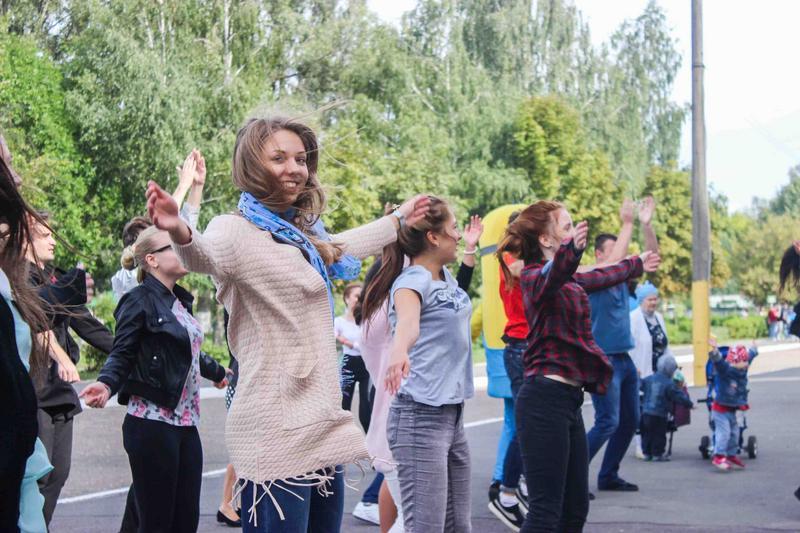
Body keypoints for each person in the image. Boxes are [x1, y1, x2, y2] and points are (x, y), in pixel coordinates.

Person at [145, 114, 430, 532]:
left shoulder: (303, 236)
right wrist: (180, 229)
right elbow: (206, 254)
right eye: (278, 157)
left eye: (301, 158)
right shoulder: (235, 230)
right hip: (274, 429)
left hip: (321, 422)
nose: (294, 168)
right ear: (251, 165)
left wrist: (397, 220)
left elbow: (342, 246)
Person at [495, 200, 660, 532]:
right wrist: (572, 251)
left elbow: (602, 274)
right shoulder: (532, 277)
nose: (572, 232)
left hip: (568, 402)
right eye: (566, 227)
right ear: (545, 239)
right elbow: (553, 273)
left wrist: (635, 263)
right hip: (543, 399)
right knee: (545, 513)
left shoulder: (569, 280)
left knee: (575, 511)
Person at [80, 226, 230, 533]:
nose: (182, 249)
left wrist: (218, 373)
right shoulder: (139, 300)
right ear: (152, 260)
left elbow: (186, 350)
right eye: (172, 246)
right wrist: (106, 384)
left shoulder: (178, 302)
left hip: (186, 425)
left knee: (185, 520)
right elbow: (123, 352)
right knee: (157, 523)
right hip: (151, 424)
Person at [357, 214, 482, 533]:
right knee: (421, 523)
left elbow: (455, 296)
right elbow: (406, 327)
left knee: (440, 520)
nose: (456, 234)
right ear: (431, 239)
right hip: (410, 413)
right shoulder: (403, 293)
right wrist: (400, 349)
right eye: (452, 229)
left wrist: (468, 251)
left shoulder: (437, 282)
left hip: (443, 415)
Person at [25, 213, 114, 526]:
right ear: (24, 238)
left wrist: (126, 353)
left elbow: (87, 324)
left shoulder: (54, 277)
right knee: (38, 476)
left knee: (58, 473)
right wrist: (62, 359)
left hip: (59, 392)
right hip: (33, 389)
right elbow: (37, 322)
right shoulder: (19, 279)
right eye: (45, 235)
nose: (53, 241)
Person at [586, 197, 658, 495]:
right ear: (598, 253)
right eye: (614, 250)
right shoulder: (590, 275)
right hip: (602, 360)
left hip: (624, 360)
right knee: (607, 422)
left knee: (630, 422)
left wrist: (645, 224)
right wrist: (626, 223)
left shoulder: (621, 275)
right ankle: (572, 477)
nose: (621, 254)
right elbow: (617, 261)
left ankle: (608, 475)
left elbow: (652, 256)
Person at [111, 149, 206, 300]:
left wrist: (197, 186)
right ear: (149, 257)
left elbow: (184, 228)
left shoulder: (173, 297)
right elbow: (168, 220)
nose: (179, 249)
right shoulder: (130, 283)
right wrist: (183, 186)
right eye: (170, 246)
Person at [488, 211, 528, 530]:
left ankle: (515, 485)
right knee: (520, 423)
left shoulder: (518, 256)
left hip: (525, 345)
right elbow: (519, 271)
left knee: (522, 422)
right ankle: (506, 492)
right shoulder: (511, 257)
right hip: (520, 345)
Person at [629, 281, 671, 459]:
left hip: (659, 373)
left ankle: (655, 444)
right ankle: (641, 445)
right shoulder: (634, 318)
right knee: (643, 411)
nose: (653, 303)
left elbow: (665, 344)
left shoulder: (659, 317)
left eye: (655, 299)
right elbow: (629, 346)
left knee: (658, 410)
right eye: (649, 299)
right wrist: (634, 368)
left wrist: (672, 366)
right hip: (642, 371)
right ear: (641, 300)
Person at [707, 341, 758, 471]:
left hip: (732, 409)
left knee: (735, 433)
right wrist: (715, 351)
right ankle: (718, 456)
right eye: (743, 362)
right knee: (724, 433)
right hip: (720, 409)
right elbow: (718, 362)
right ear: (734, 362)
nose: (746, 365)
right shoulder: (726, 370)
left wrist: (754, 348)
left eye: (746, 362)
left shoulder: (743, 369)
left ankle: (731, 454)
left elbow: (750, 356)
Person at [639, 354, 693, 461]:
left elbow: (639, 384)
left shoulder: (649, 379)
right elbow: (679, 396)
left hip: (646, 412)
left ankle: (647, 453)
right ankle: (657, 454)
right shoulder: (669, 384)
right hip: (660, 414)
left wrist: (637, 376)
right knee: (659, 434)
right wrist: (689, 404)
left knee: (647, 433)